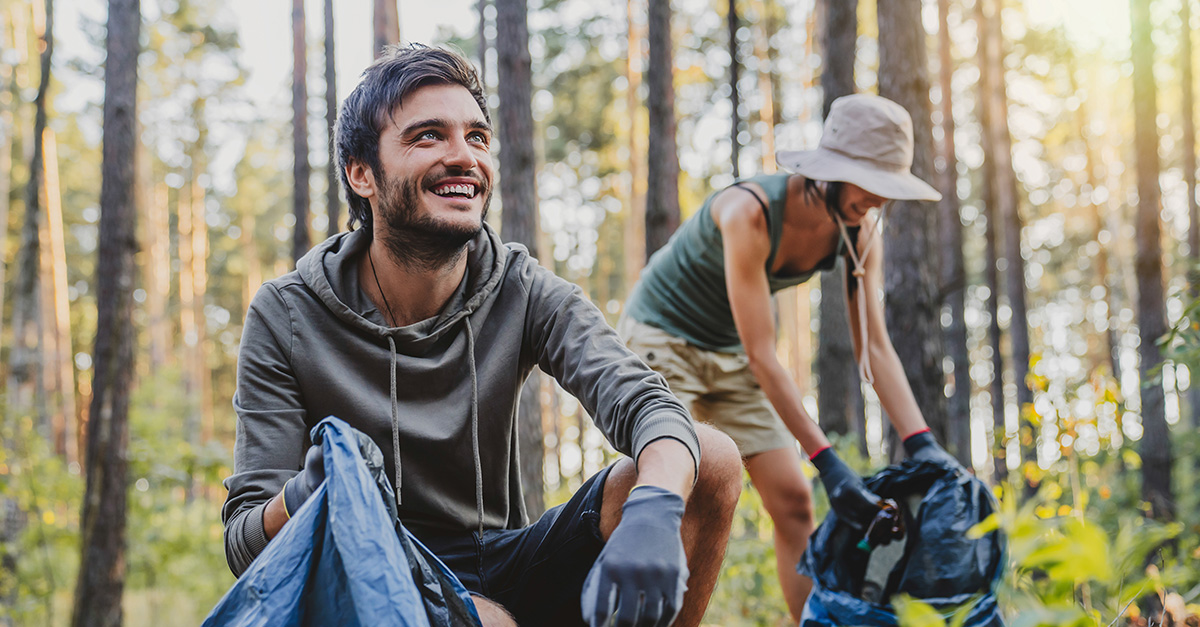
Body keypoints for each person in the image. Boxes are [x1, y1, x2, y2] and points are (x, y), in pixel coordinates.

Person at [221, 44, 742, 627]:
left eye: (476, 136)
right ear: (361, 173)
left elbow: (647, 403)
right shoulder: (286, 313)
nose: (463, 157)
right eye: (427, 137)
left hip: (506, 559)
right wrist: (305, 495)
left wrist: (654, 504)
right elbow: (246, 544)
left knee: (710, 459)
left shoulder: (520, 285)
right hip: (372, 579)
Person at [619, 93, 961, 621]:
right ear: (831, 170)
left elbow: (875, 347)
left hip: (730, 354)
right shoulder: (748, 213)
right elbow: (764, 355)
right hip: (663, 339)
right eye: (869, 182)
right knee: (675, 487)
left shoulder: (858, 231)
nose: (877, 200)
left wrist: (923, 445)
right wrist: (829, 464)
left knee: (796, 502)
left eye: (886, 187)